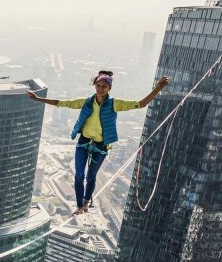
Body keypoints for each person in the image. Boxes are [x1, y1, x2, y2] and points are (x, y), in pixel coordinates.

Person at [28, 71, 169, 214]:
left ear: (109, 88)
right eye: (98, 85)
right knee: (79, 175)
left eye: (104, 86)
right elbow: (62, 103)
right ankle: (79, 206)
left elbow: (140, 104)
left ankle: (86, 202)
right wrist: (38, 99)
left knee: (90, 177)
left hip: (101, 146)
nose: (100, 89)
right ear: (94, 86)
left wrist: (158, 88)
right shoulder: (87, 102)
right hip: (84, 142)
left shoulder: (115, 104)